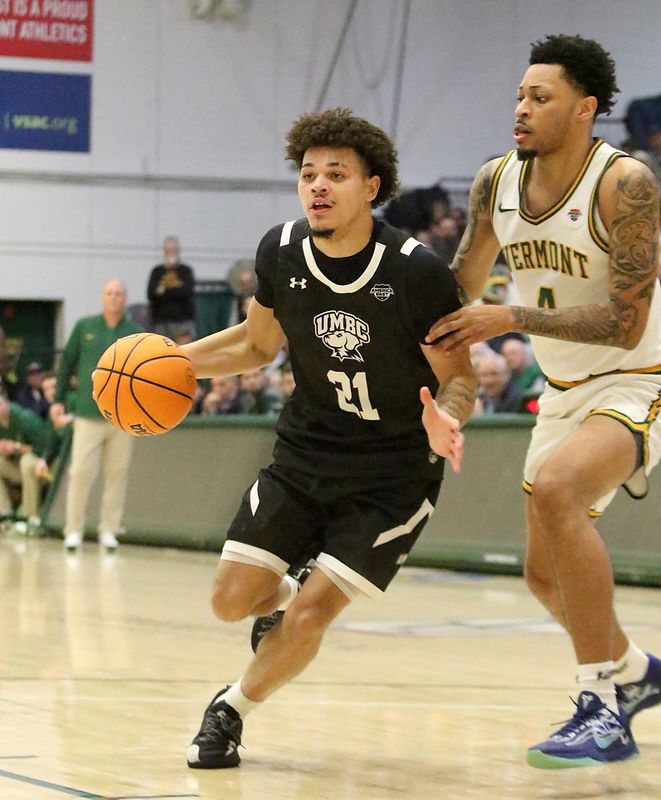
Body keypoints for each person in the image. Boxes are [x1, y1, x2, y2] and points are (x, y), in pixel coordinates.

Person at [180, 107, 476, 769]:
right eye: (308, 174)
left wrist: (446, 415)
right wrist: (174, 361)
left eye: (335, 174)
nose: (317, 185)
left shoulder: (415, 271)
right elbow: (256, 346)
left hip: (392, 476)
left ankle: (230, 710)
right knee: (231, 602)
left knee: (312, 616)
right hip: (304, 456)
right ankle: (280, 601)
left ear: (370, 188)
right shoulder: (280, 252)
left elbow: (462, 377)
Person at [427, 34, 661, 768]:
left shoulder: (625, 185)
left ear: (584, 110)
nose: (520, 109)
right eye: (518, 96)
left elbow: (623, 324)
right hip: (562, 388)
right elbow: (458, 289)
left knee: (558, 491)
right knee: (539, 572)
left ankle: (600, 705)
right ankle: (632, 673)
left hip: (639, 373)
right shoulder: (493, 181)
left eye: (539, 97)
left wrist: (513, 318)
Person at [50, 279, 143, 552]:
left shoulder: (134, 332)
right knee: (79, 473)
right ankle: (73, 531)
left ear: (125, 299)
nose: (114, 298)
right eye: (109, 293)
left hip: (122, 417)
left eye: (119, 294)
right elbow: (66, 364)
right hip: (87, 414)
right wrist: (57, 401)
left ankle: (109, 531)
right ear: (102, 298)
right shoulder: (84, 327)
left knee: (117, 473)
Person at [0, 388, 53, 528]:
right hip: (19, 469)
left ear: (5, 401)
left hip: (43, 467)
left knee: (26, 461)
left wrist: (16, 447)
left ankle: (32, 517)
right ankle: (4, 513)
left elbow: (45, 447)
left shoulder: (25, 418)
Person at [147, 236, 196, 342]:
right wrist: (175, 292)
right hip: (161, 322)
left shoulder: (185, 271)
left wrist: (165, 292)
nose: (171, 254)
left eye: (174, 250)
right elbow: (151, 294)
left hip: (183, 322)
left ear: (178, 252)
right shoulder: (157, 272)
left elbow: (187, 292)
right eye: (168, 251)